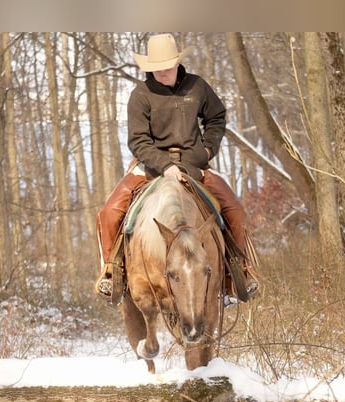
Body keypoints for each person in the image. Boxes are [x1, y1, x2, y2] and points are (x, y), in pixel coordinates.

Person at [95, 33, 258, 303]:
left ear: (177, 63)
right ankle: (113, 273)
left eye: (167, 66)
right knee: (109, 212)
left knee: (235, 211)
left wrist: (207, 149)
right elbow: (138, 140)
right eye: (156, 68)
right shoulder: (141, 95)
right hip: (150, 166)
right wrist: (163, 165)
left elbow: (216, 117)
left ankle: (236, 275)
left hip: (194, 164)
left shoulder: (197, 87)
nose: (162, 72)